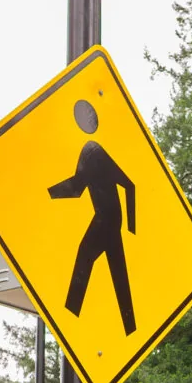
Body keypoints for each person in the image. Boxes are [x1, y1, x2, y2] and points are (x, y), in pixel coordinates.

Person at [48, 99, 138, 334]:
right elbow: (129, 186)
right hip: (111, 220)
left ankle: (71, 318)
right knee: (118, 275)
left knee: (84, 257)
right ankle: (129, 328)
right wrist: (128, 225)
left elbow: (77, 188)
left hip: (105, 220)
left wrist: (47, 193)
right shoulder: (95, 150)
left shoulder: (92, 151)